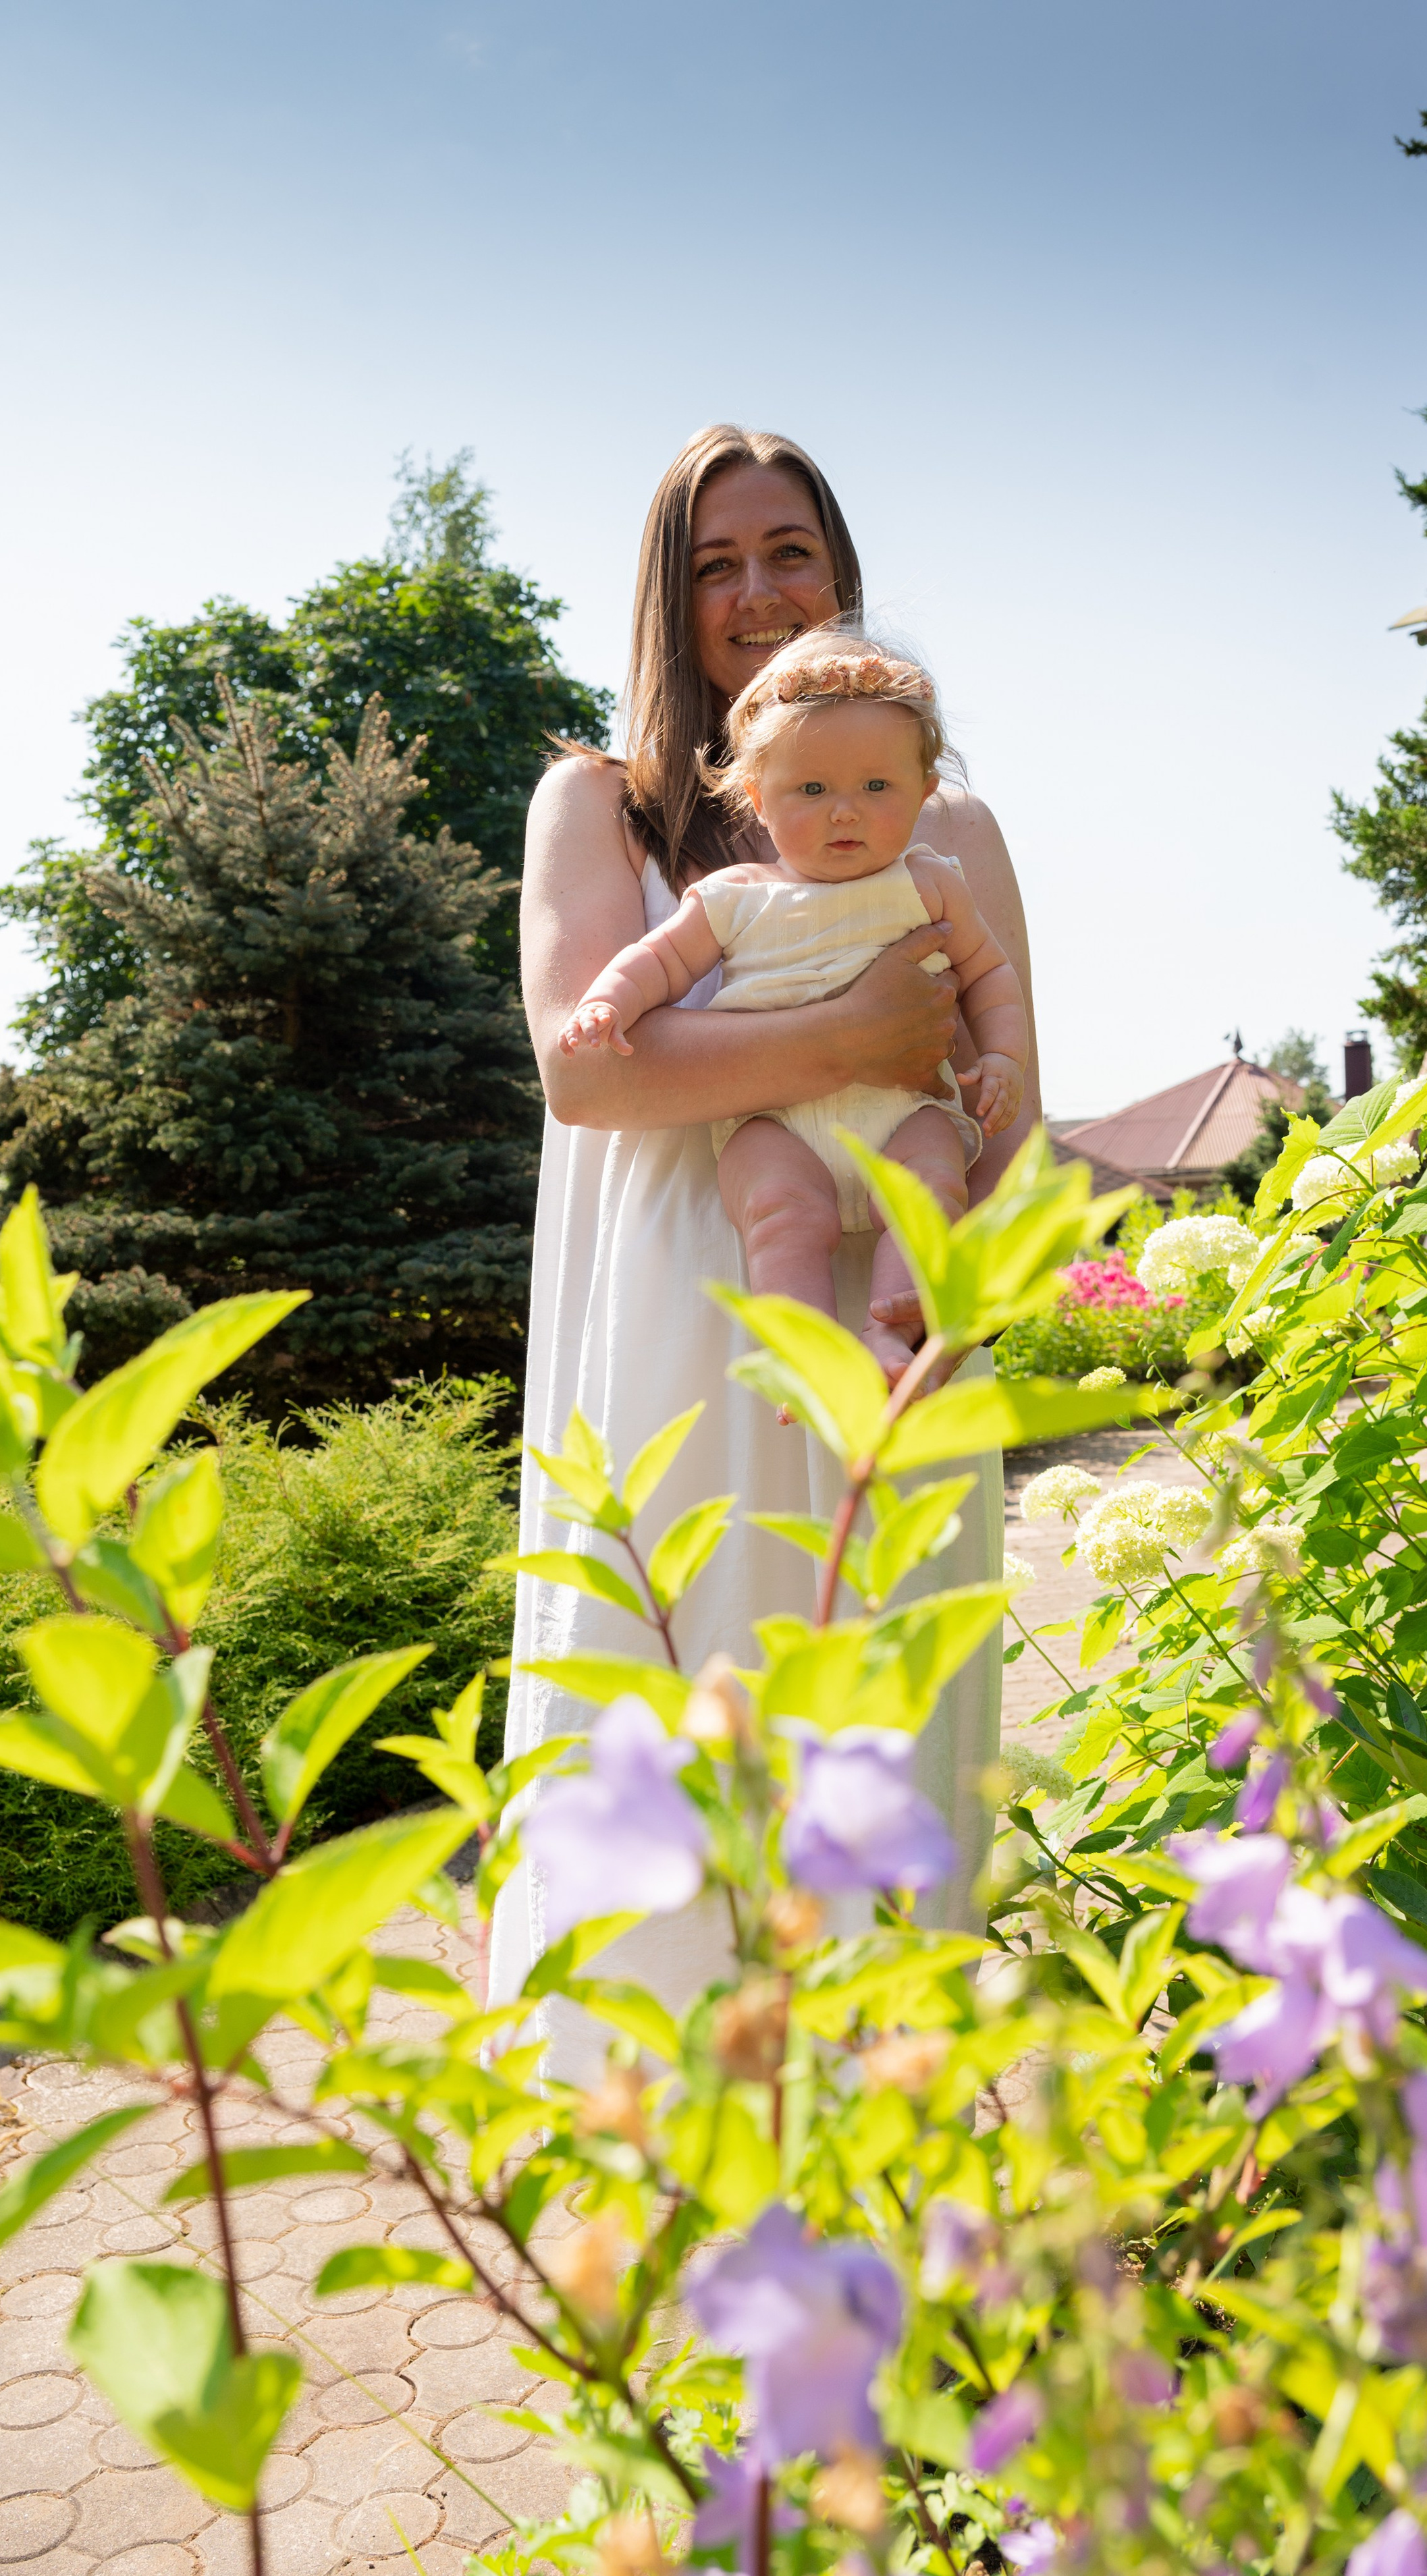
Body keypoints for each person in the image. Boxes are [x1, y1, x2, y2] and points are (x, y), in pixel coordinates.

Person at [489, 424, 1042, 2078]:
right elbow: (588, 1071)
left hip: (894, 1337)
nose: (755, 591)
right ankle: (650, 2144)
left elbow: (1009, 1099)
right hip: (676, 1336)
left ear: (838, 571)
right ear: (666, 599)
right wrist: (856, 1036)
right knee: (675, 1715)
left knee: (884, 1727)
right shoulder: (601, 806)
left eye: (787, 552)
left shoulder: (949, 827)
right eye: (713, 563)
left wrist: (957, 1286)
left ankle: (881, 2130)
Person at [556, 629, 1028, 1386]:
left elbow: (989, 975)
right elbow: (660, 962)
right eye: (812, 790)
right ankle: (802, 1351)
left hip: (904, 1110)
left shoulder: (932, 883)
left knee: (931, 1190)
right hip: (773, 1122)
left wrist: (1002, 1055)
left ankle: (890, 1331)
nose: (846, 812)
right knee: (779, 1214)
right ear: (758, 798)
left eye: (876, 787)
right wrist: (609, 1000)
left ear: (923, 791)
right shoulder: (735, 895)